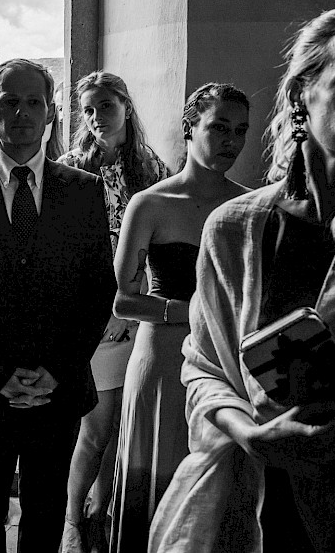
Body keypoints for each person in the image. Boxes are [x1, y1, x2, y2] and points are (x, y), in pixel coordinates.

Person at [149, 1, 335, 552]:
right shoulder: (236, 229)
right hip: (252, 503)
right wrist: (253, 435)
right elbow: (204, 368)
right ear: (299, 94)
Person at [0, 59, 115, 553]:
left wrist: (55, 371)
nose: (21, 112)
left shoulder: (83, 192)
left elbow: (98, 293)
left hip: (58, 393)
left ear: (51, 112)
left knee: (45, 522)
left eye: (34, 101)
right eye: (9, 101)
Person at [107, 83, 250, 553]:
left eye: (241, 131)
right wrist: (187, 311)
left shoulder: (249, 207)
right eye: (219, 128)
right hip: (163, 362)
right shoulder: (149, 204)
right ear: (190, 130)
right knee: (157, 482)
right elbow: (123, 300)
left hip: (225, 366)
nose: (231, 141)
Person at [56, 71, 170, 551]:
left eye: (105, 105)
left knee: (124, 424)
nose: (96, 117)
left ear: (126, 105)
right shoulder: (67, 168)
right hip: (91, 307)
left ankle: (103, 514)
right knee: (96, 426)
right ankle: (71, 522)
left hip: (139, 304)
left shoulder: (152, 168)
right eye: (87, 109)